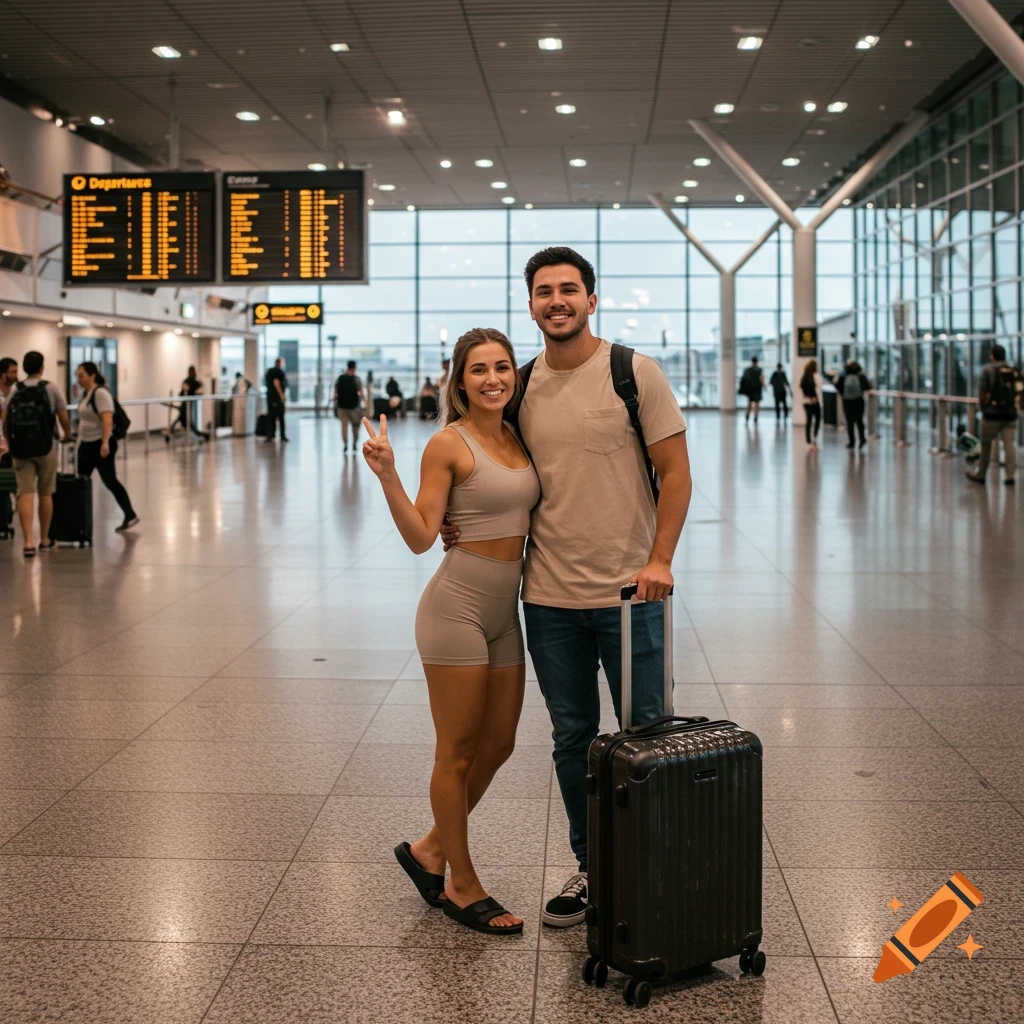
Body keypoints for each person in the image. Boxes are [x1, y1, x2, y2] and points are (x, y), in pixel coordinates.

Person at [442, 247, 692, 928]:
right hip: (547, 600)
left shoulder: (633, 372)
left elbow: (677, 472)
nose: (558, 301)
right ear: (530, 305)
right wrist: (452, 524)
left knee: (646, 734)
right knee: (573, 738)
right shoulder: (518, 387)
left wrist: (661, 559)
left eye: (570, 290)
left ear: (592, 299)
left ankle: (649, 863)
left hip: (630, 598)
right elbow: (483, 465)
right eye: (545, 292)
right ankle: (593, 866)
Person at [362, 327, 540, 936]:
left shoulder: (520, 436)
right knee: (457, 751)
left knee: (499, 745)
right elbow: (420, 536)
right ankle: (460, 886)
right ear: (458, 380)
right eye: (479, 369)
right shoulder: (448, 443)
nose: (493, 378)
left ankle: (428, 850)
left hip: (503, 613)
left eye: (503, 367)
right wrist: (387, 475)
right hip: (456, 609)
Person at [0, 350, 73, 557]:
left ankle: (28, 543)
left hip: (21, 449)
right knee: (46, 493)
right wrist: (66, 435)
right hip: (46, 447)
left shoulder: (15, 389)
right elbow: (63, 415)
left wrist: (10, 443)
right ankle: (45, 539)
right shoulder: (50, 388)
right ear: (41, 367)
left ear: (24, 368)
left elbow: (5, 420)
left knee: (25, 493)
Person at [75, 362, 139, 532]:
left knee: (110, 481)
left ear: (92, 375)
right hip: (86, 444)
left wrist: (104, 442)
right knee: (80, 482)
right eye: (78, 376)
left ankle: (129, 514)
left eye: (81, 376)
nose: (79, 379)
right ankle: (78, 519)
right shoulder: (86, 394)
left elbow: (107, 419)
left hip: (100, 445)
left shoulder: (100, 393)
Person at [966, 343, 1020, 487]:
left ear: (992, 356)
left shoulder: (988, 370)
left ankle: (981, 473)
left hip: (992, 414)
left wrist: (983, 408)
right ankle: (1010, 476)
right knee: (1009, 446)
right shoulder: (1012, 370)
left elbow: (982, 393)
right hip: (1010, 414)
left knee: (986, 445)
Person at [835, 359, 872, 449]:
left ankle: (852, 441)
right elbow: (867, 387)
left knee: (849, 422)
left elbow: (837, 387)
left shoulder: (843, 377)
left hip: (847, 401)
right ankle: (862, 439)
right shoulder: (860, 376)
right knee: (859, 421)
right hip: (859, 401)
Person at [168, 365, 209, 442]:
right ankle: (170, 431)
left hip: (189, 404)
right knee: (183, 419)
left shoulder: (192, 381)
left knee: (184, 420)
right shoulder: (189, 381)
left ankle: (200, 435)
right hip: (186, 404)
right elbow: (184, 392)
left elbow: (198, 391)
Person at [334, 360, 366, 452]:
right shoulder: (356, 379)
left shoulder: (340, 378)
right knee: (355, 426)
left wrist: (335, 399)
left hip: (342, 406)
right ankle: (354, 443)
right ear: (354, 368)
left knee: (344, 426)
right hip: (354, 407)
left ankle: (345, 444)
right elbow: (361, 392)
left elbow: (335, 391)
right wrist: (366, 403)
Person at [799, 360, 823, 452]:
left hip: (806, 402)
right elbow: (816, 388)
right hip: (814, 402)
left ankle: (809, 441)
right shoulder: (815, 376)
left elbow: (802, 387)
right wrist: (813, 397)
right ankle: (813, 439)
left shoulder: (805, 376)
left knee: (809, 421)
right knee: (816, 420)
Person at [264, 357, 288, 443]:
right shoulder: (277, 372)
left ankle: (271, 435)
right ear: (280, 363)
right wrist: (282, 396)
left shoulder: (270, 371)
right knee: (280, 417)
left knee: (271, 417)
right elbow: (276, 383)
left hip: (270, 398)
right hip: (276, 398)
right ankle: (282, 436)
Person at [739, 357, 764, 424]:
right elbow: (761, 378)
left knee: (749, 403)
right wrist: (764, 386)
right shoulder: (759, 369)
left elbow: (744, 379)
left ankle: (747, 416)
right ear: (757, 362)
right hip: (757, 388)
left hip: (750, 389)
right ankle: (755, 416)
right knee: (757, 403)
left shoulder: (747, 369)